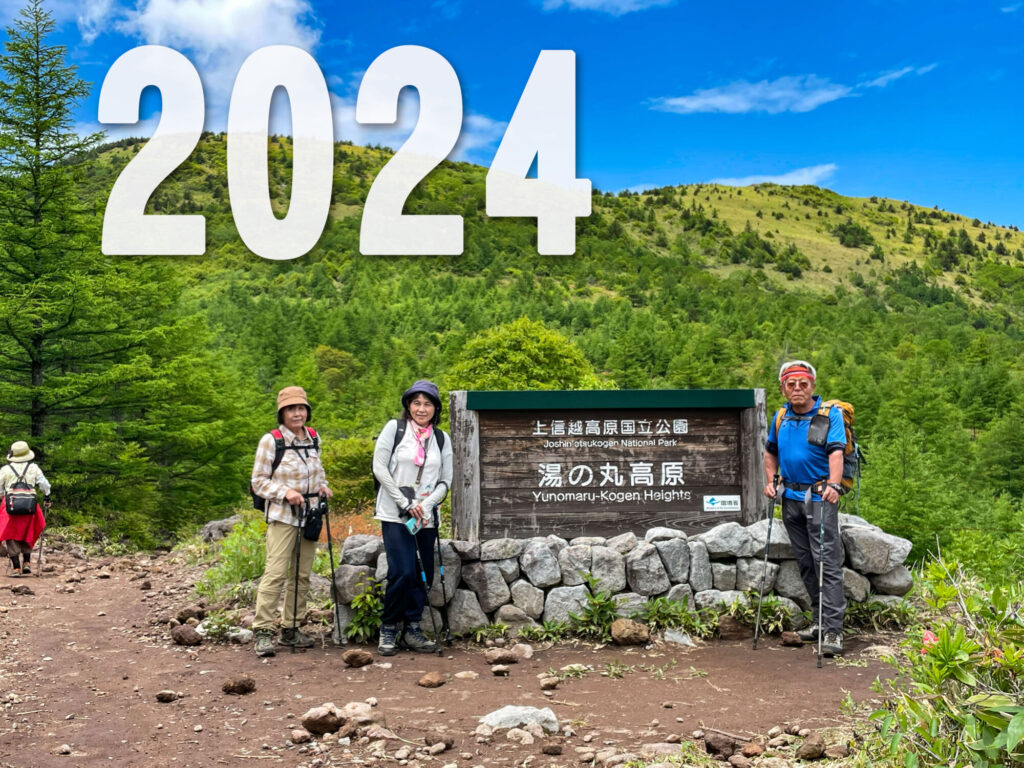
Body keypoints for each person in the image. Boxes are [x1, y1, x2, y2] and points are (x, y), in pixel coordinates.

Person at [763, 360, 847, 656]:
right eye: (791, 384)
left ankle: (833, 630)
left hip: (820, 498)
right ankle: (819, 623)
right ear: (783, 388)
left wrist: (834, 485)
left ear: (812, 386)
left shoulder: (829, 415)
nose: (797, 388)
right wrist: (771, 481)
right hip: (790, 499)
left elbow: (836, 452)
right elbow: (770, 452)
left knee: (827, 563)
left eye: (803, 383)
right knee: (807, 562)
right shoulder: (781, 417)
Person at [250, 386, 332, 657]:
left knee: (302, 574)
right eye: (291, 409)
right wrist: (285, 492)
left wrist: (323, 487)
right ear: (282, 413)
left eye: (301, 408)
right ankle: (263, 631)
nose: (297, 414)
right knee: (275, 573)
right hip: (282, 516)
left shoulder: (313, 438)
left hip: (310, 516)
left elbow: (317, 471)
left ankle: (291, 628)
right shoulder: (271, 441)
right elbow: (258, 481)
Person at [372, 380, 453, 656]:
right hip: (395, 514)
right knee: (403, 571)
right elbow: (380, 468)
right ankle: (388, 627)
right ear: (408, 405)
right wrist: (405, 502)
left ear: (435, 409)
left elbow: (446, 480)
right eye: (416, 403)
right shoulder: (394, 429)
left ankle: (412, 629)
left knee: (423, 573)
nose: (421, 409)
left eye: (428, 404)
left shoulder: (441, 439)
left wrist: (425, 505)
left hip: (425, 517)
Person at [0, 441, 50, 577]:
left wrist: (3, 496)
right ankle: (27, 562)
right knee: (28, 531)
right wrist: (47, 497)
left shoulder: (5, 469)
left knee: (11, 534)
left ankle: (16, 568)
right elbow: (44, 485)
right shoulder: (33, 468)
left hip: (10, 506)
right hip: (30, 506)